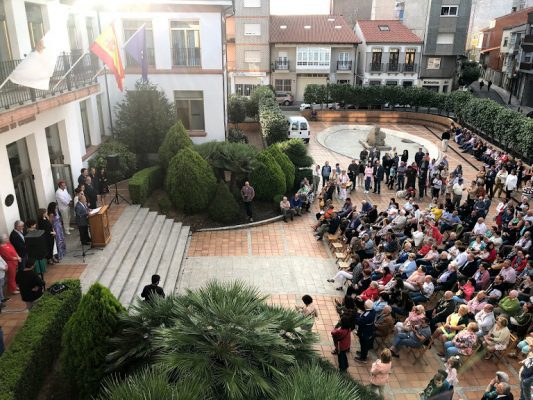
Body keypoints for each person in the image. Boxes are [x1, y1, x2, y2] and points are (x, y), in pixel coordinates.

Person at [354, 299, 375, 363]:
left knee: (364, 344)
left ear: (366, 306)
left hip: (365, 331)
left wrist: (358, 314)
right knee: (364, 344)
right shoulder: (373, 310)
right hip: (368, 330)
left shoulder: (367, 316)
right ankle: (363, 353)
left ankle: (363, 358)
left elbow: (358, 322)